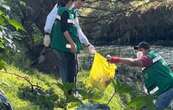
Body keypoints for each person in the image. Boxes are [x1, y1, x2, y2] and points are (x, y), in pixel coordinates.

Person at [107, 41, 173, 110]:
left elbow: (133, 62)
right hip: (166, 89)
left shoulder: (148, 57)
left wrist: (114, 59)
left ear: (143, 50)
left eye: (139, 51)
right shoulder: (153, 57)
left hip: (167, 89)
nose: (137, 54)